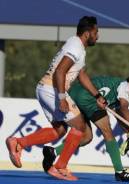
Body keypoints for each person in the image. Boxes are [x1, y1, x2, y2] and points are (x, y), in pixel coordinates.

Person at [6, 16, 106, 181]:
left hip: (44, 89)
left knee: (59, 130)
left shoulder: (77, 47)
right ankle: (60, 167)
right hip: (51, 90)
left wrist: (97, 95)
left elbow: (81, 75)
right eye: (96, 32)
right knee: (80, 126)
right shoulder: (76, 47)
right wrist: (61, 98)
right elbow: (60, 71)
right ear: (87, 34)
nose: (98, 36)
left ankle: (18, 143)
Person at [42, 75, 129, 181]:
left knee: (86, 137)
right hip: (88, 98)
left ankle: (53, 151)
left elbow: (120, 116)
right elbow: (124, 108)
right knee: (107, 132)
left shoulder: (116, 93)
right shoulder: (125, 86)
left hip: (74, 95)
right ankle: (120, 172)